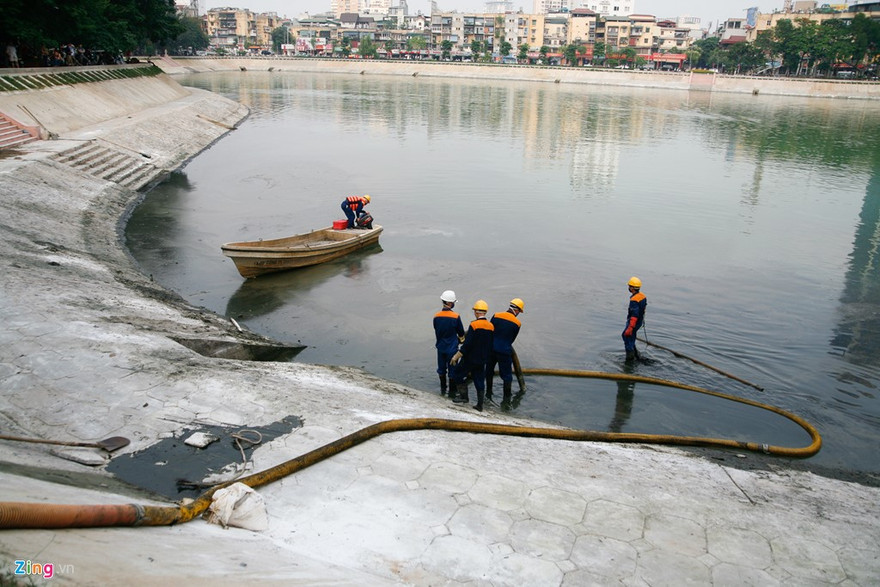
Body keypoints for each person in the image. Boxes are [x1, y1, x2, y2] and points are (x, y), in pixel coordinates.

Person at [450, 300, 494, 411]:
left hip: (470, 358)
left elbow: (468, 344)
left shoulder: (474, 325)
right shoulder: (491, 326)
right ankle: (480, 405)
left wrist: (457, 356)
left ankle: (464, 397)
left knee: (457, 374)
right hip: (482, 359)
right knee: (479, 380)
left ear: (476, 312)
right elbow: (490, 344)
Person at [486, 298, 524, 406]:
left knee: (488, 371)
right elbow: (512, 339)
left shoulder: (496, 315)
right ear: (517, 310)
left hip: (491, 349)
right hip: (504, 351)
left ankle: (488, 393)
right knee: (507, 376)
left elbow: (490, 330)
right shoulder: (517, 323)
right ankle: (506, 401)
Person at [433, 290, 464, 397]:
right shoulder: (455, 316)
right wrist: (462, 340)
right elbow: (461, 332)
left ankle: (442, 390)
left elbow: (436, 329)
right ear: (451, 303)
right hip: (452, 348)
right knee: (452, 371)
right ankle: (452, 393)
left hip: (440, 347)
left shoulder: (436, 316)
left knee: (441, 369)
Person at [622, 276, 647, 362]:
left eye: (629, 286)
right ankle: (636, 355)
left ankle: (630, 359)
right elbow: (643, 309)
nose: (628, 288)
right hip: (639, 322)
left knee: (627, 337)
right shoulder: (642, 296)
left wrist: (630, 327)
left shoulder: (634, 300)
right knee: (631, 337)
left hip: (633, 322)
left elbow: (634, 315)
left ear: (632, 288)